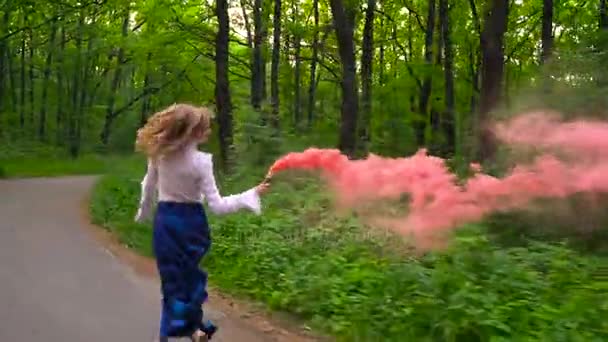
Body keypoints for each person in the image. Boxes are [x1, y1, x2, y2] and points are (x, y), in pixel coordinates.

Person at [134, 103, 270, 341]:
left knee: (172, 280)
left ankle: (177, 332)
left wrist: (143, 212)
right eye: (205, 128)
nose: (208, 132)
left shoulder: (160, 155)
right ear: (192, 131)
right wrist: (251, 195)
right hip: (193, 224)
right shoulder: (202, 162)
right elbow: (217, 206)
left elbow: (148, 187)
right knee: (188, 277)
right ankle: (192, 330)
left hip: (166, 222)